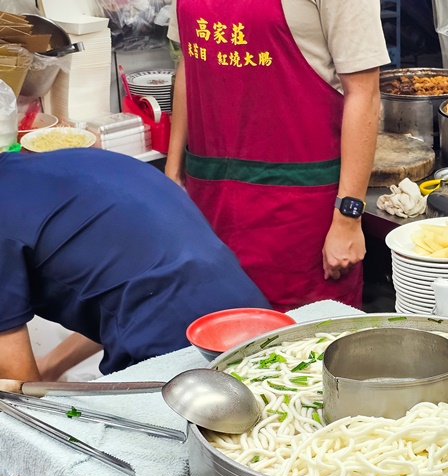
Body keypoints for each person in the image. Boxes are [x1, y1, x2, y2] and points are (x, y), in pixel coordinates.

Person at [165, 1, 389, 311]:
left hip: (299, 217)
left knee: (304, 345)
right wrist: (172, 175)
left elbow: (364, 93)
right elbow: (189, 65)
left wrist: (348, 218)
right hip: (208, 208)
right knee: (219, 336)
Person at [0, 148, 271, 381]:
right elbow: (115, 289)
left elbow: (20, 390)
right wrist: (49, 368)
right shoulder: (80, 163)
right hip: (255, 323)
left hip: (179, 360)